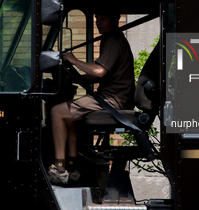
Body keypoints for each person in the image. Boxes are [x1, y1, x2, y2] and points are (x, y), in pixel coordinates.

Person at [47, 13, 135, 185]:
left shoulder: (113, 40)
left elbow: (99, 71)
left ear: (115, 19)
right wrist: (73, 78)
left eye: (103, 17)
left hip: (112, 100)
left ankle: (59, 168)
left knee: (56, 111)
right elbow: (101, 75)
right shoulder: (111, 39)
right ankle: (73, 167)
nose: (98, 21)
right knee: (69, 115)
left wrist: (73, 60)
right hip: (112, 97)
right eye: (96, 17)